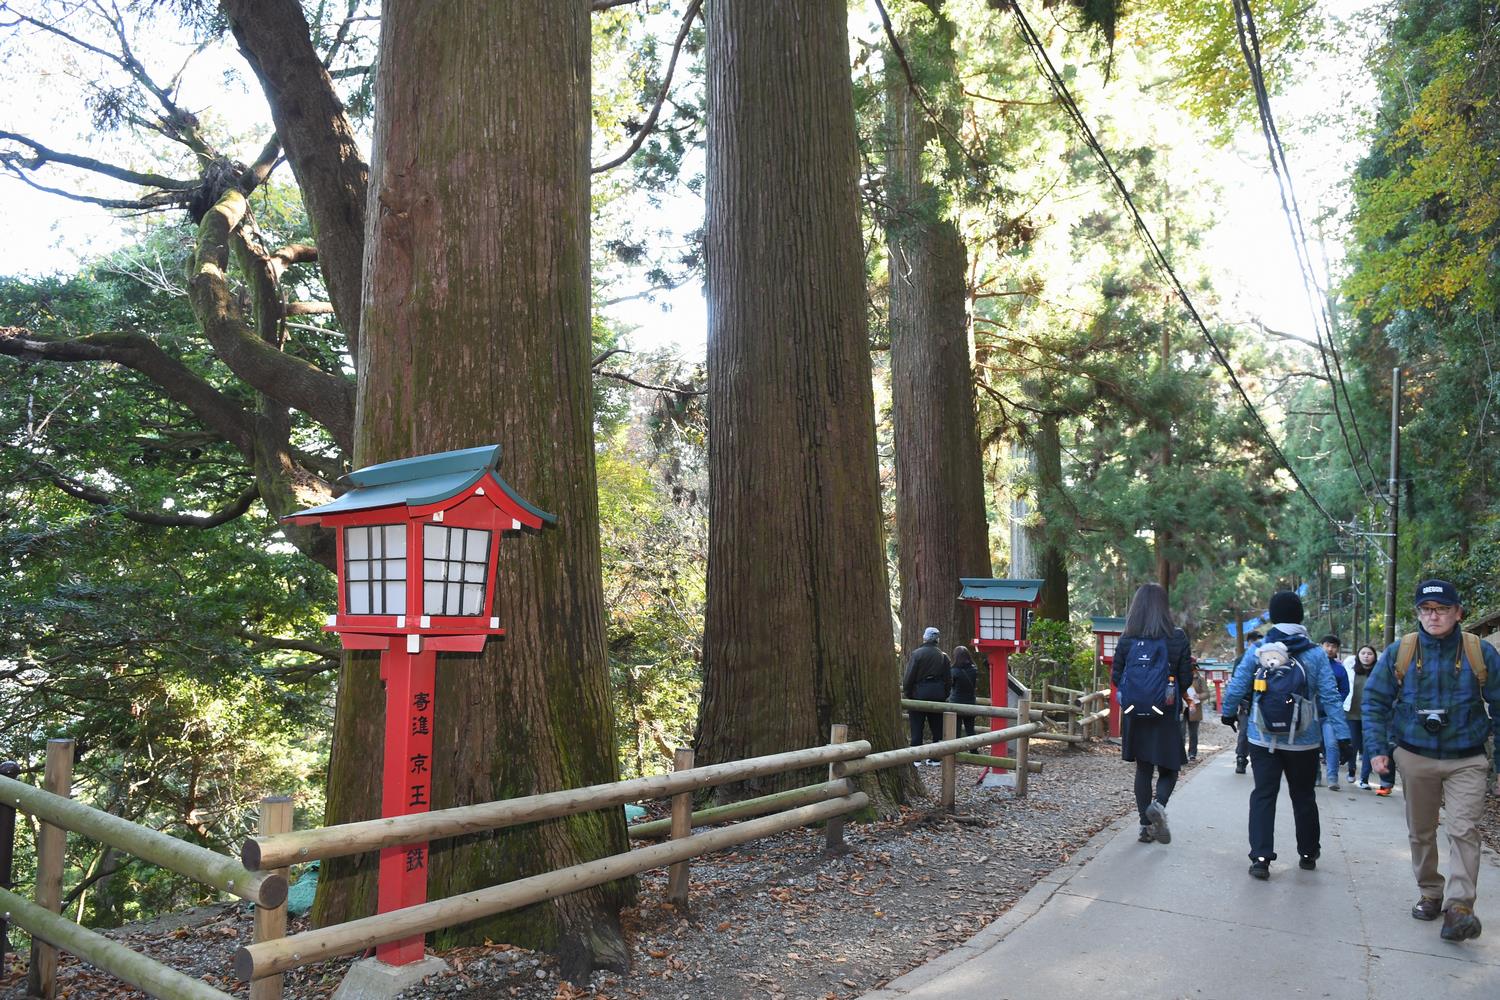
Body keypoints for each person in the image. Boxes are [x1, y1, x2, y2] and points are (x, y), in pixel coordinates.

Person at [1361, 579, 1500, 943]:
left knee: (1463, 830)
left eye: (1441, 609)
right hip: (1415, 755)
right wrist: (1377, 749)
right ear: (1418, 614)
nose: (1433, 616)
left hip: (1467, 758)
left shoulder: (1479, 652)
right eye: (1426, 609)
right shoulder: (1400, 651)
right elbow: (1374, 701)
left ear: (1458, 612)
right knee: (1421, 831)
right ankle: (1430, 892)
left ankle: (1459, 909)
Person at [1220, 591, 1352, 880]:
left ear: (1273, 616)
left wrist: (1228, 713)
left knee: (1264, 794)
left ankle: (1260, 858)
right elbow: (1330, 696)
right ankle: (1307, 852)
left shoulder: (1260, 649)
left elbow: (1238, 685)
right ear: (1301, 617)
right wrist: (1343, 736)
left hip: (1262, 736)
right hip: (1304, 739)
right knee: (1303, 795)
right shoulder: (1316, 654)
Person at [1111, 583, 1192, 846]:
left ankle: (1145, 829)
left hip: (1135, 713)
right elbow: (1185, 678)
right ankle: (1158, 805)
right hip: (1166, 713)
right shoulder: (1177, 638)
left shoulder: (1126, 639)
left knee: (1143, 769)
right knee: (1170, 768)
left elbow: (1116, 677)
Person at [902, 626, 951, 764]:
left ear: (925, 638)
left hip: (919, 694)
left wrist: (908, 693)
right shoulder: (944, 656)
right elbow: (948, 679)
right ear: (937, 640)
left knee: (917, 726)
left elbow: (909, 676)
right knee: (937, 728)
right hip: (938, 695)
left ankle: (916, 758)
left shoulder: (917, 654)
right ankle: (936, 757)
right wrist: (944, 694)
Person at [1318, 634, 1350, 789]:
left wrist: (1335, 704)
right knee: (1312, 746)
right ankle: (1315, 776)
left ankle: (1332, 778)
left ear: (1337, 649)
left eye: (1333, 646)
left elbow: (1345, 690)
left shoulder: (1339, 669)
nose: (1330, 649)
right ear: (1321, 646)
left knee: (1332, 744)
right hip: (1311, 714)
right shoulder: (1312, 665)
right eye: (1327, 645)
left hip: (1331, 715)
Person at [1348, 643, 1380, 789]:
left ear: (1374, 657)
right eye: (1363, 653)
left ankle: (1364, 778)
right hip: (1352, 714)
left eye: (1369, 653)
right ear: (1358, 656)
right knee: (1353, 744)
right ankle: (1351, 770)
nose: (1366, 656)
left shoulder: (1379, 672)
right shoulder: (1350, 670)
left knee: (1369, 747)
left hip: (1372, 716)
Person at [1233, 629, 1264, 774]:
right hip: (1246, 701)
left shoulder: (1266, 658)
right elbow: (1236, 683)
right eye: (1255, 641)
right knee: (1244, 731)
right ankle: (1241, 758)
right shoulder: (1241, 660)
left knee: (1262, 731)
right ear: (1249, 643)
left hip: (1263, 701)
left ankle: (1260, 762)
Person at [949, 646, 979, 737]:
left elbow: (951, 685)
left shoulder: (953, 671)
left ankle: (956, 750)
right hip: (970, 702)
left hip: (956, 702)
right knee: (970, 729)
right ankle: (974, 750)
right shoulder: (974, 670)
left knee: (956, 730)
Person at [1178, 663, 1206, 761]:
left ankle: (1192, 753)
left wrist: (1198, 696)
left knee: (1193, 733)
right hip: (1182, 707)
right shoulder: (1179, 677)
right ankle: (1181, 753)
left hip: (1195, 708)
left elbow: (1206, 693)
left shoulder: (1200, 679)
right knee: (1181, 732)